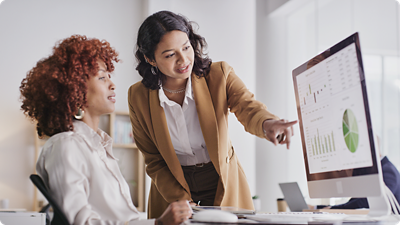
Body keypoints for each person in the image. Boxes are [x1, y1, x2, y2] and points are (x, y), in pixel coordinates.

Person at [128, 10, 298, 218]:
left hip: (221, 181)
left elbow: (247, 107)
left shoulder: (219, 75)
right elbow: (153, 159)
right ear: (150, 59)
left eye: (186, 47)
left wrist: (267, 123)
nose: (183, 60)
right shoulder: (138, 96)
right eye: (170, 55)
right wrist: (179, 198)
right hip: (172, 186)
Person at [19, 35, 192, 225]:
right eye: (102, 77)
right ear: (74, 90)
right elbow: (80, 222)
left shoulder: (97, 146)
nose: (112, 84)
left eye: (109, 76)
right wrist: (158, 224)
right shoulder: (66, 145)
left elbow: (125, 219)